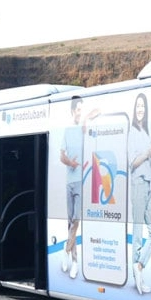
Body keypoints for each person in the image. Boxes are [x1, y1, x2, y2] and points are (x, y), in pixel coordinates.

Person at [60, 97, 99, 279]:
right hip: (69, 180)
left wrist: (87, 118)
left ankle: (66, 250)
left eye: (82, 110)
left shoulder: (83, 129)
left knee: (76, 220)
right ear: (72, 111)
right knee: (70, 223)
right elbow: (62, 157)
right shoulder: (67, 131)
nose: (80, 113)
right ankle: (74, 260)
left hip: (82, 182)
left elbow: (95, 114)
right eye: (78, 110)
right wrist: (71, 163)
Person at [128, 93, 151, 295]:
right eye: (138, 106)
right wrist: (148, 153)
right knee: (138, 234)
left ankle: (139, 266)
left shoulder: (144, 131)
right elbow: (132, 163)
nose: (140, 109)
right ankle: (137, 276)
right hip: (138, 184)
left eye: (143, 106)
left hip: (147, 184)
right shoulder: (132, 132)